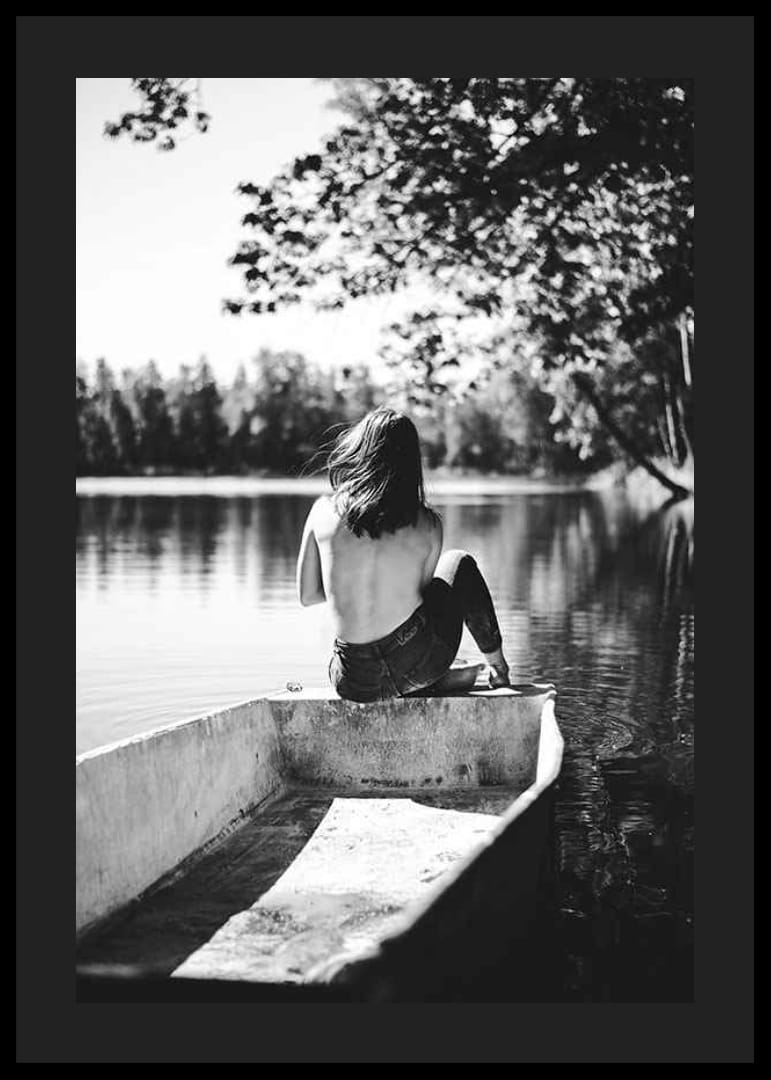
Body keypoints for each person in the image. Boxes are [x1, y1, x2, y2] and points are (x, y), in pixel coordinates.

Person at [296, 407, 511, 702]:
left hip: (351, 681)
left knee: (386, 661)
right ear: (411, 463)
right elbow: (419, 601)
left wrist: (347, 587)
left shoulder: (323, 510)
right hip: (418, 665)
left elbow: (308, 595)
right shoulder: (428, 523)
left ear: (361, 451)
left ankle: (433, 677)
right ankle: (496, 668)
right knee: (458, 563)